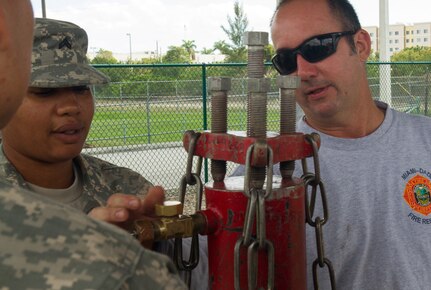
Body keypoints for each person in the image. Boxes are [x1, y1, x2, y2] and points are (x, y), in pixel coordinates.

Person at [0, 16, 207, 289]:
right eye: (45, 92)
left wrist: (153, 246)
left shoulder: (126, 188)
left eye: (81, 88)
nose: (71, 107)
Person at [270, 0, 431, 289]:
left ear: (360, 45)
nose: (302, 72)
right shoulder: (263, 171)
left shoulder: (425, 140)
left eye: (317, 47)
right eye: (285, 60)